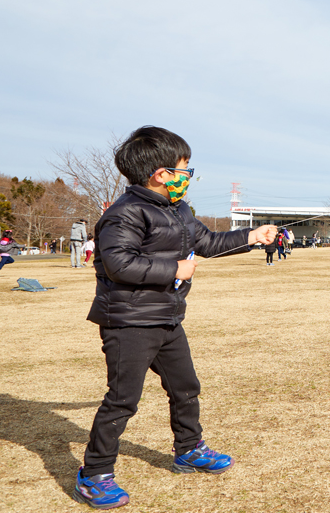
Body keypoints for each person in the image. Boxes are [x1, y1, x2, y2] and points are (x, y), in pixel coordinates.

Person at [76, 126, 278, 509]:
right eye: (185, 169)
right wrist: (174, 269)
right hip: (128, 321)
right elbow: (119, 264)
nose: (189, 176)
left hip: (168, 318)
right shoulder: (124, 214)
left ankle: (188, 449)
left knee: (186, 387)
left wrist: (253, 236)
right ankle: (94, 474)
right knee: (122, 400)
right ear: (161, 173)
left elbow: (208, 243)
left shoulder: (179, 210)